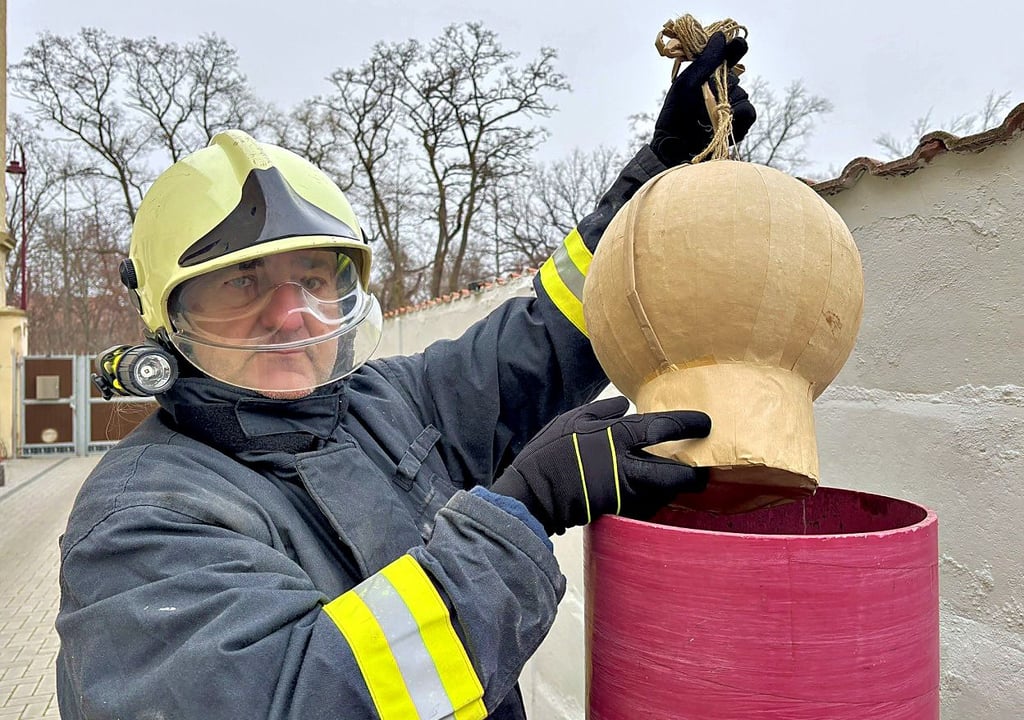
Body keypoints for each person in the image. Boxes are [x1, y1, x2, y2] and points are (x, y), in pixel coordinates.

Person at [55, 32, 755, 720]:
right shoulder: (140, 520)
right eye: (243, 283)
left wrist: (660, 170)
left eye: (312, 278)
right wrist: (519, 515)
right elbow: (301, 696)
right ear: (169, 317)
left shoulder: (383, 402)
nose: (293, 315)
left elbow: (548, 332)